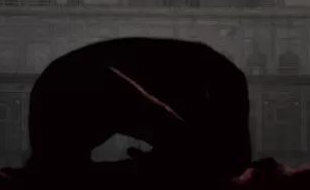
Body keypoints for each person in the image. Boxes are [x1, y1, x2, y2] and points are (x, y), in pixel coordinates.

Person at [26, 37, 252, 179]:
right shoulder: (212, 75)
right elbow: (224, 158)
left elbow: (230, 159)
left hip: (60, 101)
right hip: (66, 93)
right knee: (184, 141)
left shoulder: (210, 74)